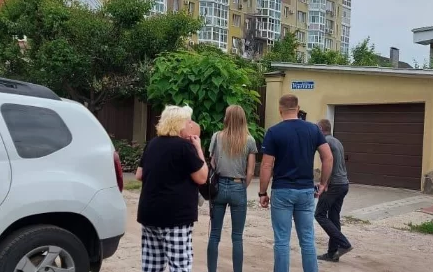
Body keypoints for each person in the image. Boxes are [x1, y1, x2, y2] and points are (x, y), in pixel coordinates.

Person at [259, 94, 334, 272]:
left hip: (282, 190)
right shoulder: (313, 129)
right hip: (306, 190)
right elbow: (328, 157)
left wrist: (262, 192)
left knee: (282, 241)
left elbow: (267, 165)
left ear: (280, 110)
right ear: (298, 109)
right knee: (307, 239)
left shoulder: (274, 132)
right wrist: (323, 183)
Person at [135, 105, 208, 272]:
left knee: (152, 266)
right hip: (176, 217)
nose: (190, 125)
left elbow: (139, 175)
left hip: (150, 213)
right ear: (179, 123)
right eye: (188, 122)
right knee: (179, 266)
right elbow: (202, 177)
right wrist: (198, 148)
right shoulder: (184, 147)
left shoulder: (152, 144)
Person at [207, 105, 258, 272]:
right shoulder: (249, 140)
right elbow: (250, 171)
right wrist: (242, 185)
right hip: (238, 185)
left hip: (219, 186)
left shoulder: (217, 136)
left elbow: (212, 163)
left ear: (226, 118)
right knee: (237, 237)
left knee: (214, 235)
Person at [314, 119, 353, 262]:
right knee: (334, 218)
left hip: (334, 185)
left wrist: (323, 184)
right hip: (343, 184)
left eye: (316, 128)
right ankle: (332, 253)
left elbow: (328, 163)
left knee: (319, 214)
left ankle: (344, 244)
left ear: (320, 128)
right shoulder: (337, 141)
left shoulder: (325, 142)